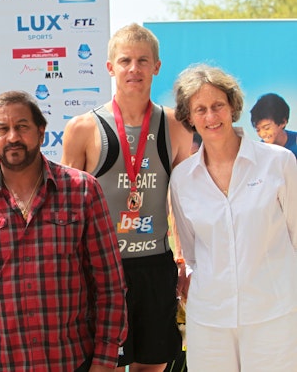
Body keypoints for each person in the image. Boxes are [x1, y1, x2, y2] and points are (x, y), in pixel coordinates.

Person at [0, 90, 127, 371]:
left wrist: (105, 360)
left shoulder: (83, 190)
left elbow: (109, 283)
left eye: (22, 126)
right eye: (2, 129)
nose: (13, 137)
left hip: (72, 362)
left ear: (41, 132)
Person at [61, 23, 192, 372]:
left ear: (156, 66)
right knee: (107, 366)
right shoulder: (83, 128)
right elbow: (66, 210)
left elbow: (187, 203)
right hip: (102, 269)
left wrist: (184, 261)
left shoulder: (176, 126)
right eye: (125, 61)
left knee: (153, 366)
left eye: (143, 60)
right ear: (110, 67)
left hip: (156, 266)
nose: (134, 68)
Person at [169, 64, 297, 371]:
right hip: (210, 321)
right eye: (200, 109)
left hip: (275, 315)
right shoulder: (182, 179)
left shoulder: (279, 163)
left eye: (218, 106)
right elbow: (192, 252)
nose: (211, 117)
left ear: (233, 107)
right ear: (189, 117)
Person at [250, 92, 297, 158]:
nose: (262, 134)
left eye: (266, 128)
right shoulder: (260, 153)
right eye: (258, 130)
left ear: (283, 122)